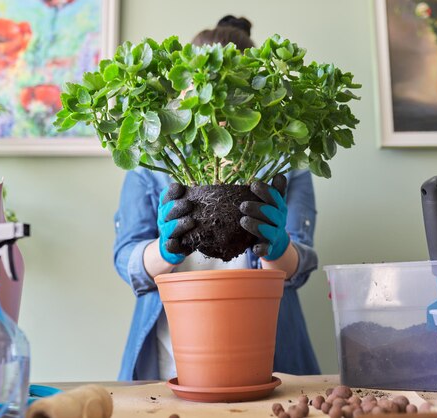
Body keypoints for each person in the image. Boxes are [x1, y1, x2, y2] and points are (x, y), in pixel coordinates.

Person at [114, 16, 320, 381]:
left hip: (266, 352)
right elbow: (125, 257)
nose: (216, 107)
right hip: (170, 355)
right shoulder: (152, 161)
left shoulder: (285, 163)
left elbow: (299, 263)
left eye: (233, 94)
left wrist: (278, 249)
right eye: (202, 92)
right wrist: (162, 250)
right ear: (183, 93)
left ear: (259, 99)